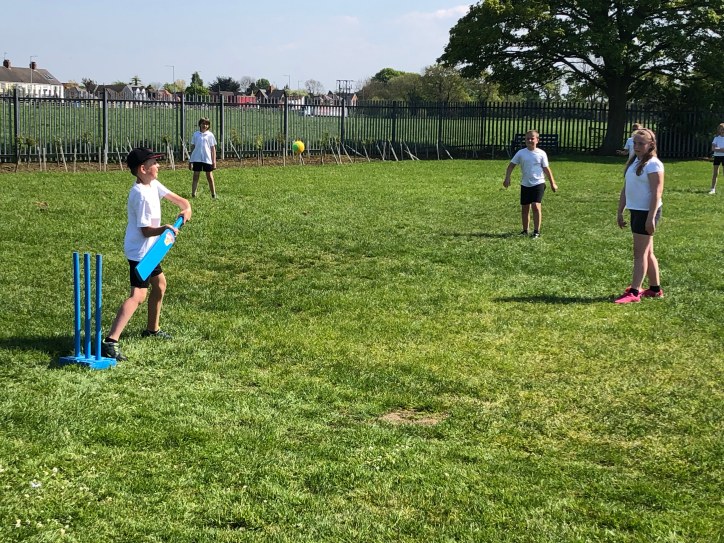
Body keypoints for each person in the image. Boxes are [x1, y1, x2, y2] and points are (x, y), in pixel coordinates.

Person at [101, 148, 192, 361]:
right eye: (154, 163)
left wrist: (186, 208)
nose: (158, 166)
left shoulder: (153, 185)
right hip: (140, 252)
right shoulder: (139, 194)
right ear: (143, 169)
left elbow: (181, 201)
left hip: (152, 249)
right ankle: (110, 341)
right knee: (138, 295)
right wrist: (165, 229)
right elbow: (145, 231)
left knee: (160, 285)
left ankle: (152, 329)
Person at [615, 128, 664, 304]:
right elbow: (626, 188)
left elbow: (657, 192)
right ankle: (655, 289)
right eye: (635, 143)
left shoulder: (653, 164)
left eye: (641, 143)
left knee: (639, 253)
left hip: (647, 212)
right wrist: (620, 211)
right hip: (636, 210)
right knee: (647, 252)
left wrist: (651, 217)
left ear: (651, 144)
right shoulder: (635, 161)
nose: (636, 146)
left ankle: (634, 292)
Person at [503, 129, 558, 237]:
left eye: (532, 138)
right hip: (525, 184)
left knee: (535, 206)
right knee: (525, 208)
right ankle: (525, 231)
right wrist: (507, 178)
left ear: (537, 140)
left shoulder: (541, 153)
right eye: (527, 138)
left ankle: (536, 231)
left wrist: (553, 183)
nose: (529, 140)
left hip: (538, 183)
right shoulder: (521, 153)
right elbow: (511, 166)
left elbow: (547, 169)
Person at [189, 117, 217, 198]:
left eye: (207, 124)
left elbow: (213, 149)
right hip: (197, 159)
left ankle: (213, 194)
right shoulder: (196, 134)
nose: (205, 125)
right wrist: (191, 160)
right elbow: (193, 147)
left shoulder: (210, 135)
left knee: (209, 176)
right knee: (196, 175)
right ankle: (193, 194)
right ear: (200, 124)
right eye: (203, 124)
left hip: (207, 159)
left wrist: (214, 161)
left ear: (209, 125)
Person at [709, 122, 724, 195]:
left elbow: (716, 148)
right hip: (717, 157)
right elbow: (713, 148)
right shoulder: (716, 138)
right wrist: (721, 149)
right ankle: (713, 189)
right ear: (719, 130)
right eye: (721, 129)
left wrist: (717, 148)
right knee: (715, 173)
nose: (723, 131)